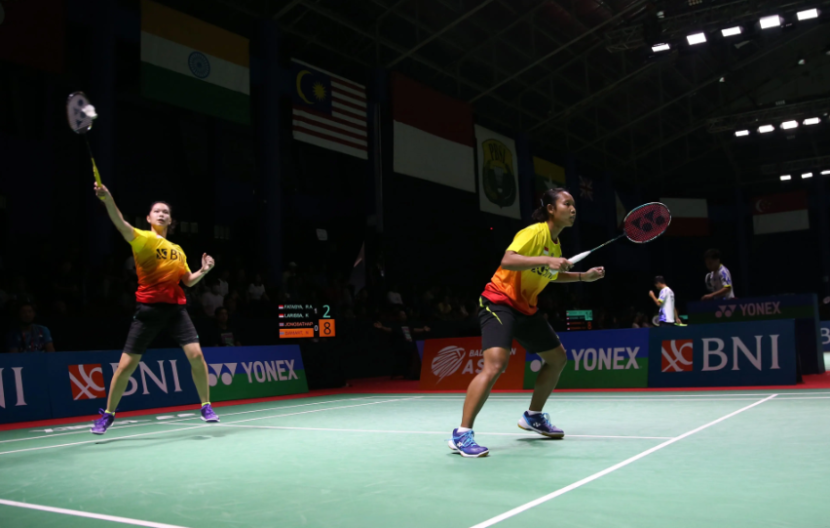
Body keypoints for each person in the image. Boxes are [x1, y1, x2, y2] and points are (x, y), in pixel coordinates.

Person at [450, 188, 606, 458]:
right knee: (496, 364)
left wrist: (583, 277)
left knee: (557, 359)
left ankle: (533, 416)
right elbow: (508, 260)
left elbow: (550, 275)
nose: (573, 209)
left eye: (574, 205)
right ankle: (461, 434)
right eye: (566, 204)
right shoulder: (534, 233)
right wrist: (548, 259)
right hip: (499, 301)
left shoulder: (555, 246)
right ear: (550, 209)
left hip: (526, 309)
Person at [90, 183, 219, 435]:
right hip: (148, 310)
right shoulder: (142, 238)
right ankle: (108, 414)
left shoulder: (178, 250)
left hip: (176, 310)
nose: (161, 214)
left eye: (166, 212)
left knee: (196, 356)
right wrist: (107, 199)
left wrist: (204, 270)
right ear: (149, 218)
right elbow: (120, 223)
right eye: (157, 211)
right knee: (125, 366)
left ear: (171, 220)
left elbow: (188, 281)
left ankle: (205, 405)